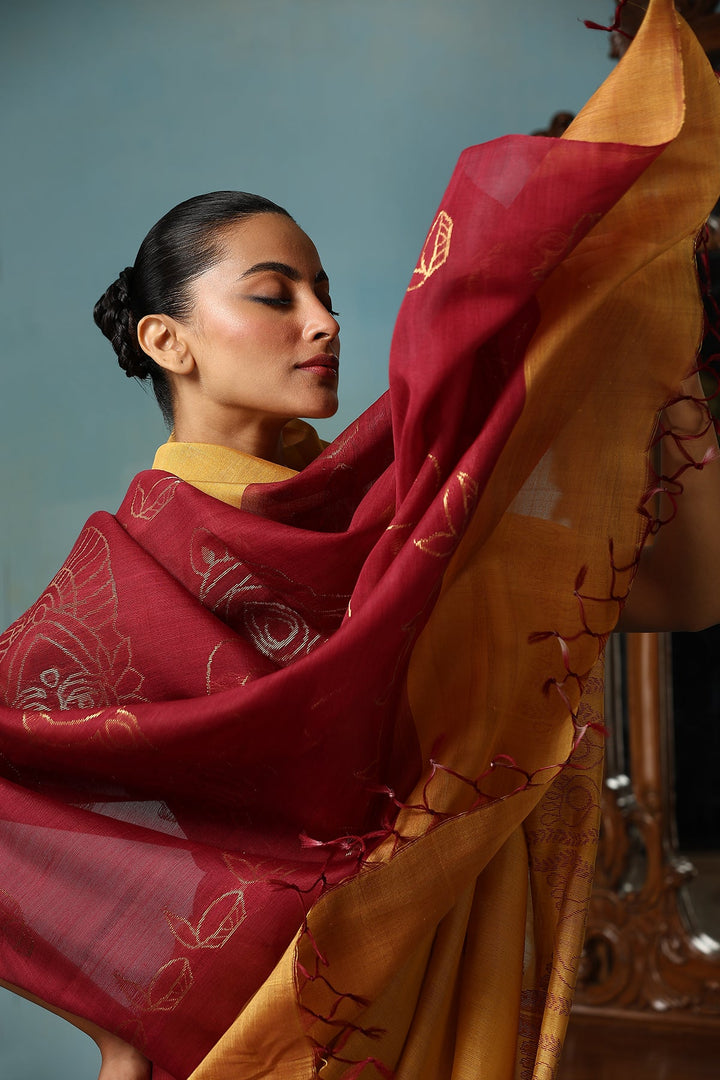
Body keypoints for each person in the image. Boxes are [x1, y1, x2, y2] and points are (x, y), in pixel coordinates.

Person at [1, 2, 720, 1078]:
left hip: (447, 1014)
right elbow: (126, 971)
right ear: (167, 339)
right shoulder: (111, 596)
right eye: (273, 296)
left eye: (325, 293)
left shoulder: (413, 514)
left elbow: (691, 590)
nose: (325, 322)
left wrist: (657, 347)